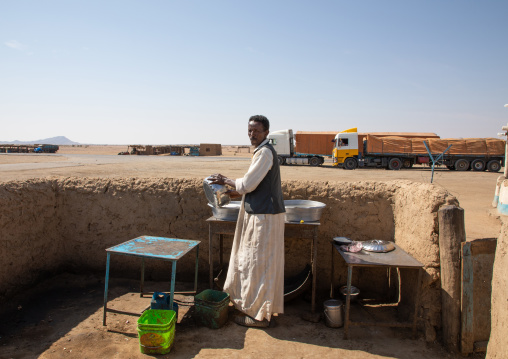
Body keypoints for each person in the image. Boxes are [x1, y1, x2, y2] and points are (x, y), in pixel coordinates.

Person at [209, 115, 285, 328]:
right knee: (257, 265)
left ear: (266, 133)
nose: (252, 134)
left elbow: (249, 184)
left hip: (264, 218)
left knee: (259, 266)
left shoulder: (265, 153)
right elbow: (255, 186)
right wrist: (232, 192)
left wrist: (225, 180)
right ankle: (258, 310)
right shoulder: (262, 152)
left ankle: (259, 317)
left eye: (256, 131)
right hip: (262, 215)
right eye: (250, 130)